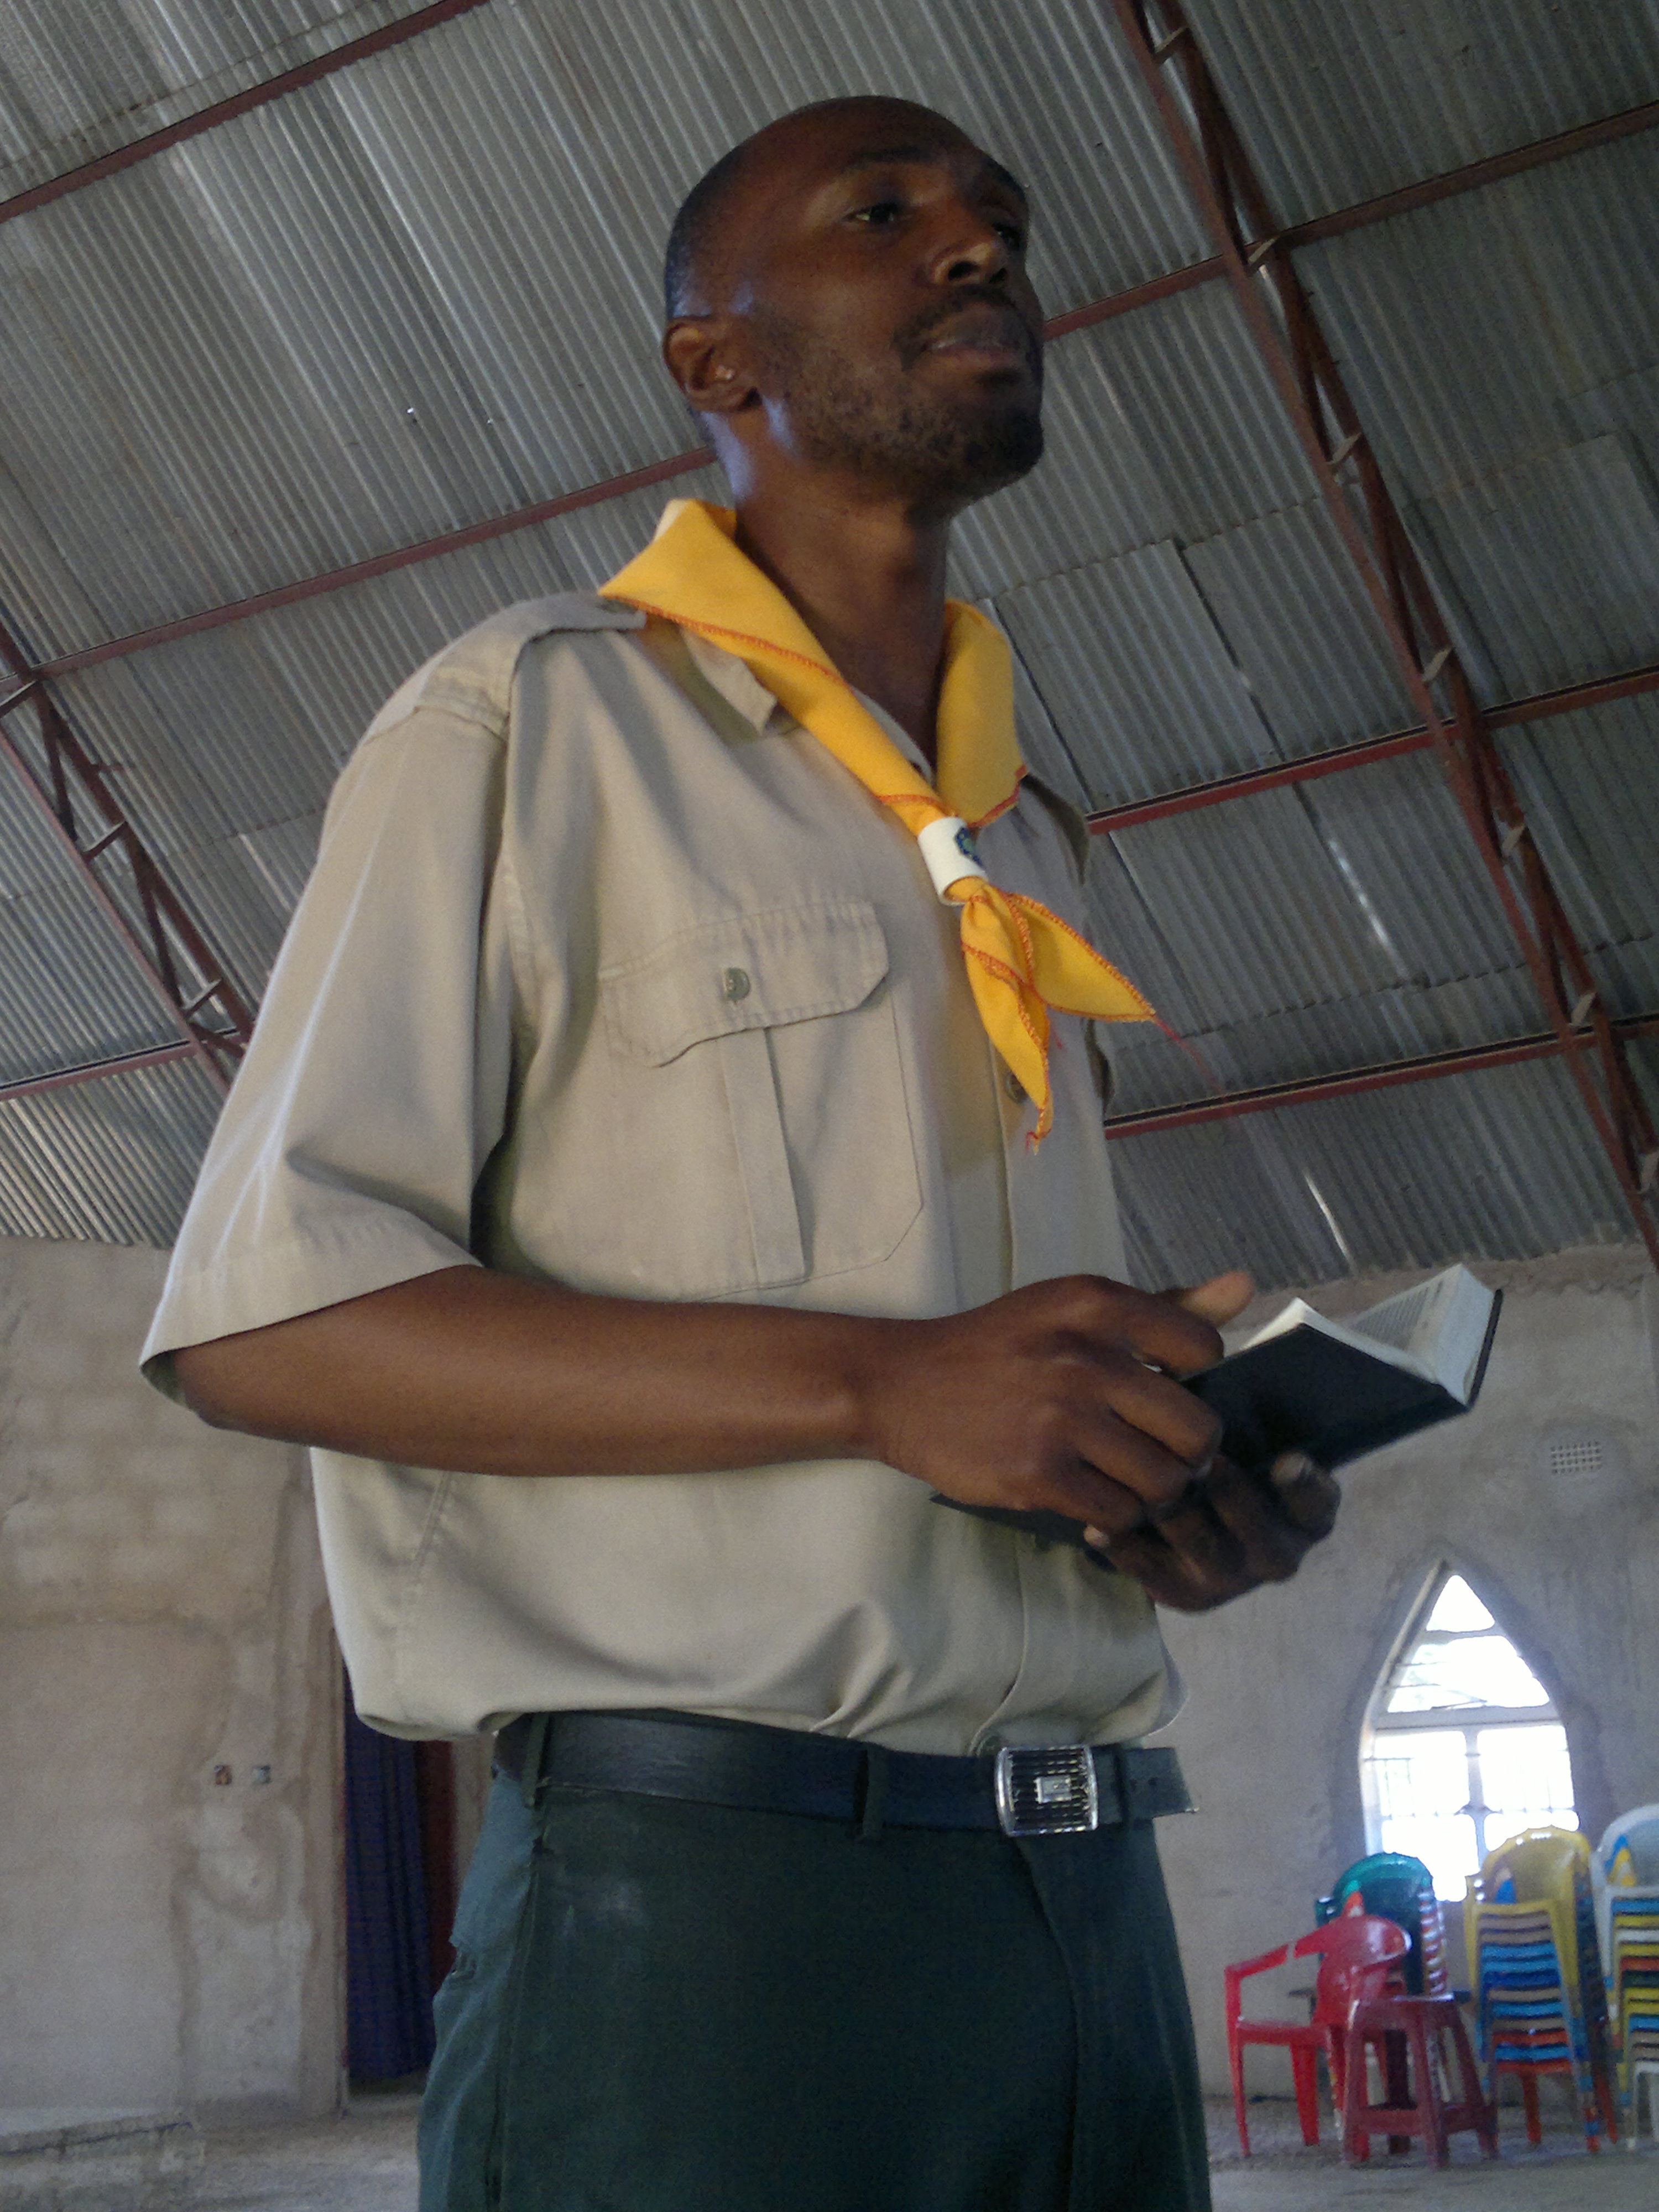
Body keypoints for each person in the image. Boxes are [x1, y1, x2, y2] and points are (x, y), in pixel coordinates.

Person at [143, 95, 1339, 2212]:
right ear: (719, 363)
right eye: (886, 214)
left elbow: (976, 1410)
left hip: (1089, 1909)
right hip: (706, 1924)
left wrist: (1158, 1481)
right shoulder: (531, 726)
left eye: (1000, 218)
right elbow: (268, 1323)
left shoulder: (1020, 843)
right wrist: (887, 1387)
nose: (979, 247)